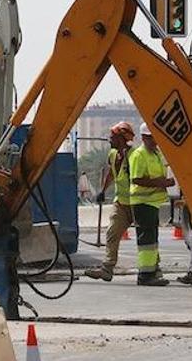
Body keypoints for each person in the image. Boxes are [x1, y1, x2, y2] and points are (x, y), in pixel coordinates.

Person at [83, 121, 135, 282]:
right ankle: (107, 268)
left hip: (138, 202)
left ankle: (152, 269)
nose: (109, 140)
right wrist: (103, 191)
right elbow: (111, 174)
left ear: (121, 138)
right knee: (112, 233)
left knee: (145, 238)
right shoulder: (113, 155)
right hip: (121, 202)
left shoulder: (135, 155)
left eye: (112, 137)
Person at [129, 122, 174, 286]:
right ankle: (145, 275)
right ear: (144, 137)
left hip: (153, 203)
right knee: (147, 240)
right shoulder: (139, 155)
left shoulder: (155, 154)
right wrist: (161, 183)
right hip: (143, 202)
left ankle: (152, 270)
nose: (155, 140)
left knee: (152, 240)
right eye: (151, 137)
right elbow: (137, 179)